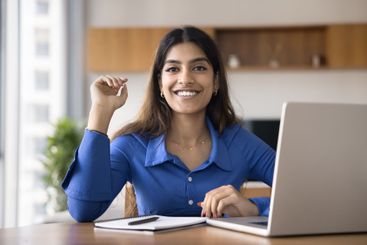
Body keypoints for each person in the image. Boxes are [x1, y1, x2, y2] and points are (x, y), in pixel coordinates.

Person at [62, 26, 275, 222]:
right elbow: (83, 210)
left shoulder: (240, 143)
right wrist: (101, 110)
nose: (185, 79)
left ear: (216, 81)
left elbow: (305, 194)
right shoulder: (132, 145)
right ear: (160, 84)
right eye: (173, 69)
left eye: (199, 68)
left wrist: (254, 207)